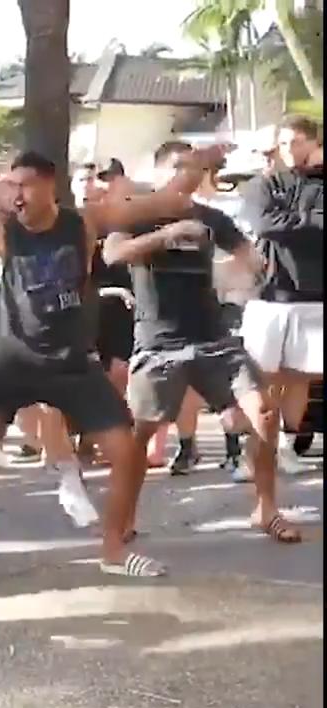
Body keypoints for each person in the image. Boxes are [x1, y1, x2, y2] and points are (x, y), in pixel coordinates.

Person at [0, 141, 225, 576]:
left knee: (126, 452)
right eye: (11, 186)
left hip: (72, 365)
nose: (17, 195)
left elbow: (171, 197)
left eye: (25, 184)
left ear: (51, 187)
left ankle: (114, 551)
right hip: (13, 359)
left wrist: (199, 164)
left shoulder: (84, 223)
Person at [105, 140, 298, 551]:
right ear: (157, 173)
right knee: (140, 435)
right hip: (158, 343)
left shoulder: (210, 217)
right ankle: (125, 517)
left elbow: (249, 255)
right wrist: (168, 234)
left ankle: (266, 509)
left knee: (263, 411)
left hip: (213, 338)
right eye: (177, 166)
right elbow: (113, 254)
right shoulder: (137, 215)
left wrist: (256, 267)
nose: (186, 173)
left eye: (193, 167)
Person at [239, 115, 323, 474]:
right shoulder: (263, 184)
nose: (290, 149)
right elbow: (262, 223)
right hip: (270, 294)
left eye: (298, 141)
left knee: (301, 374)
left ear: (314, 143)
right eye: (285, 142)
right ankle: (253, 452)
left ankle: (287, 448)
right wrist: (302, 223)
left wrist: (288, 224)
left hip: (314, 293)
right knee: (261, 376)